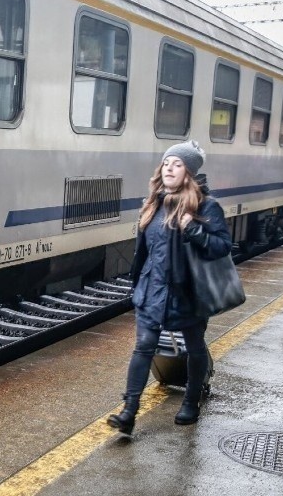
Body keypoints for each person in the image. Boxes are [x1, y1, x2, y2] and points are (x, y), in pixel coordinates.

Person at [107, 140, 231, 437]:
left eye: (177, 164)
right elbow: (144, 251)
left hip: (188, 292)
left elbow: (222, 247)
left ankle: (191, 400)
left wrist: (194, 229)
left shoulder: (206, 206)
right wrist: (137, 284)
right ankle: (129, 411)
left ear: (189, 172)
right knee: (143, 348)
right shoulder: (154, 203)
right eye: (166, 163)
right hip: (153, 289)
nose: (170, 169)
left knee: (194, 346)